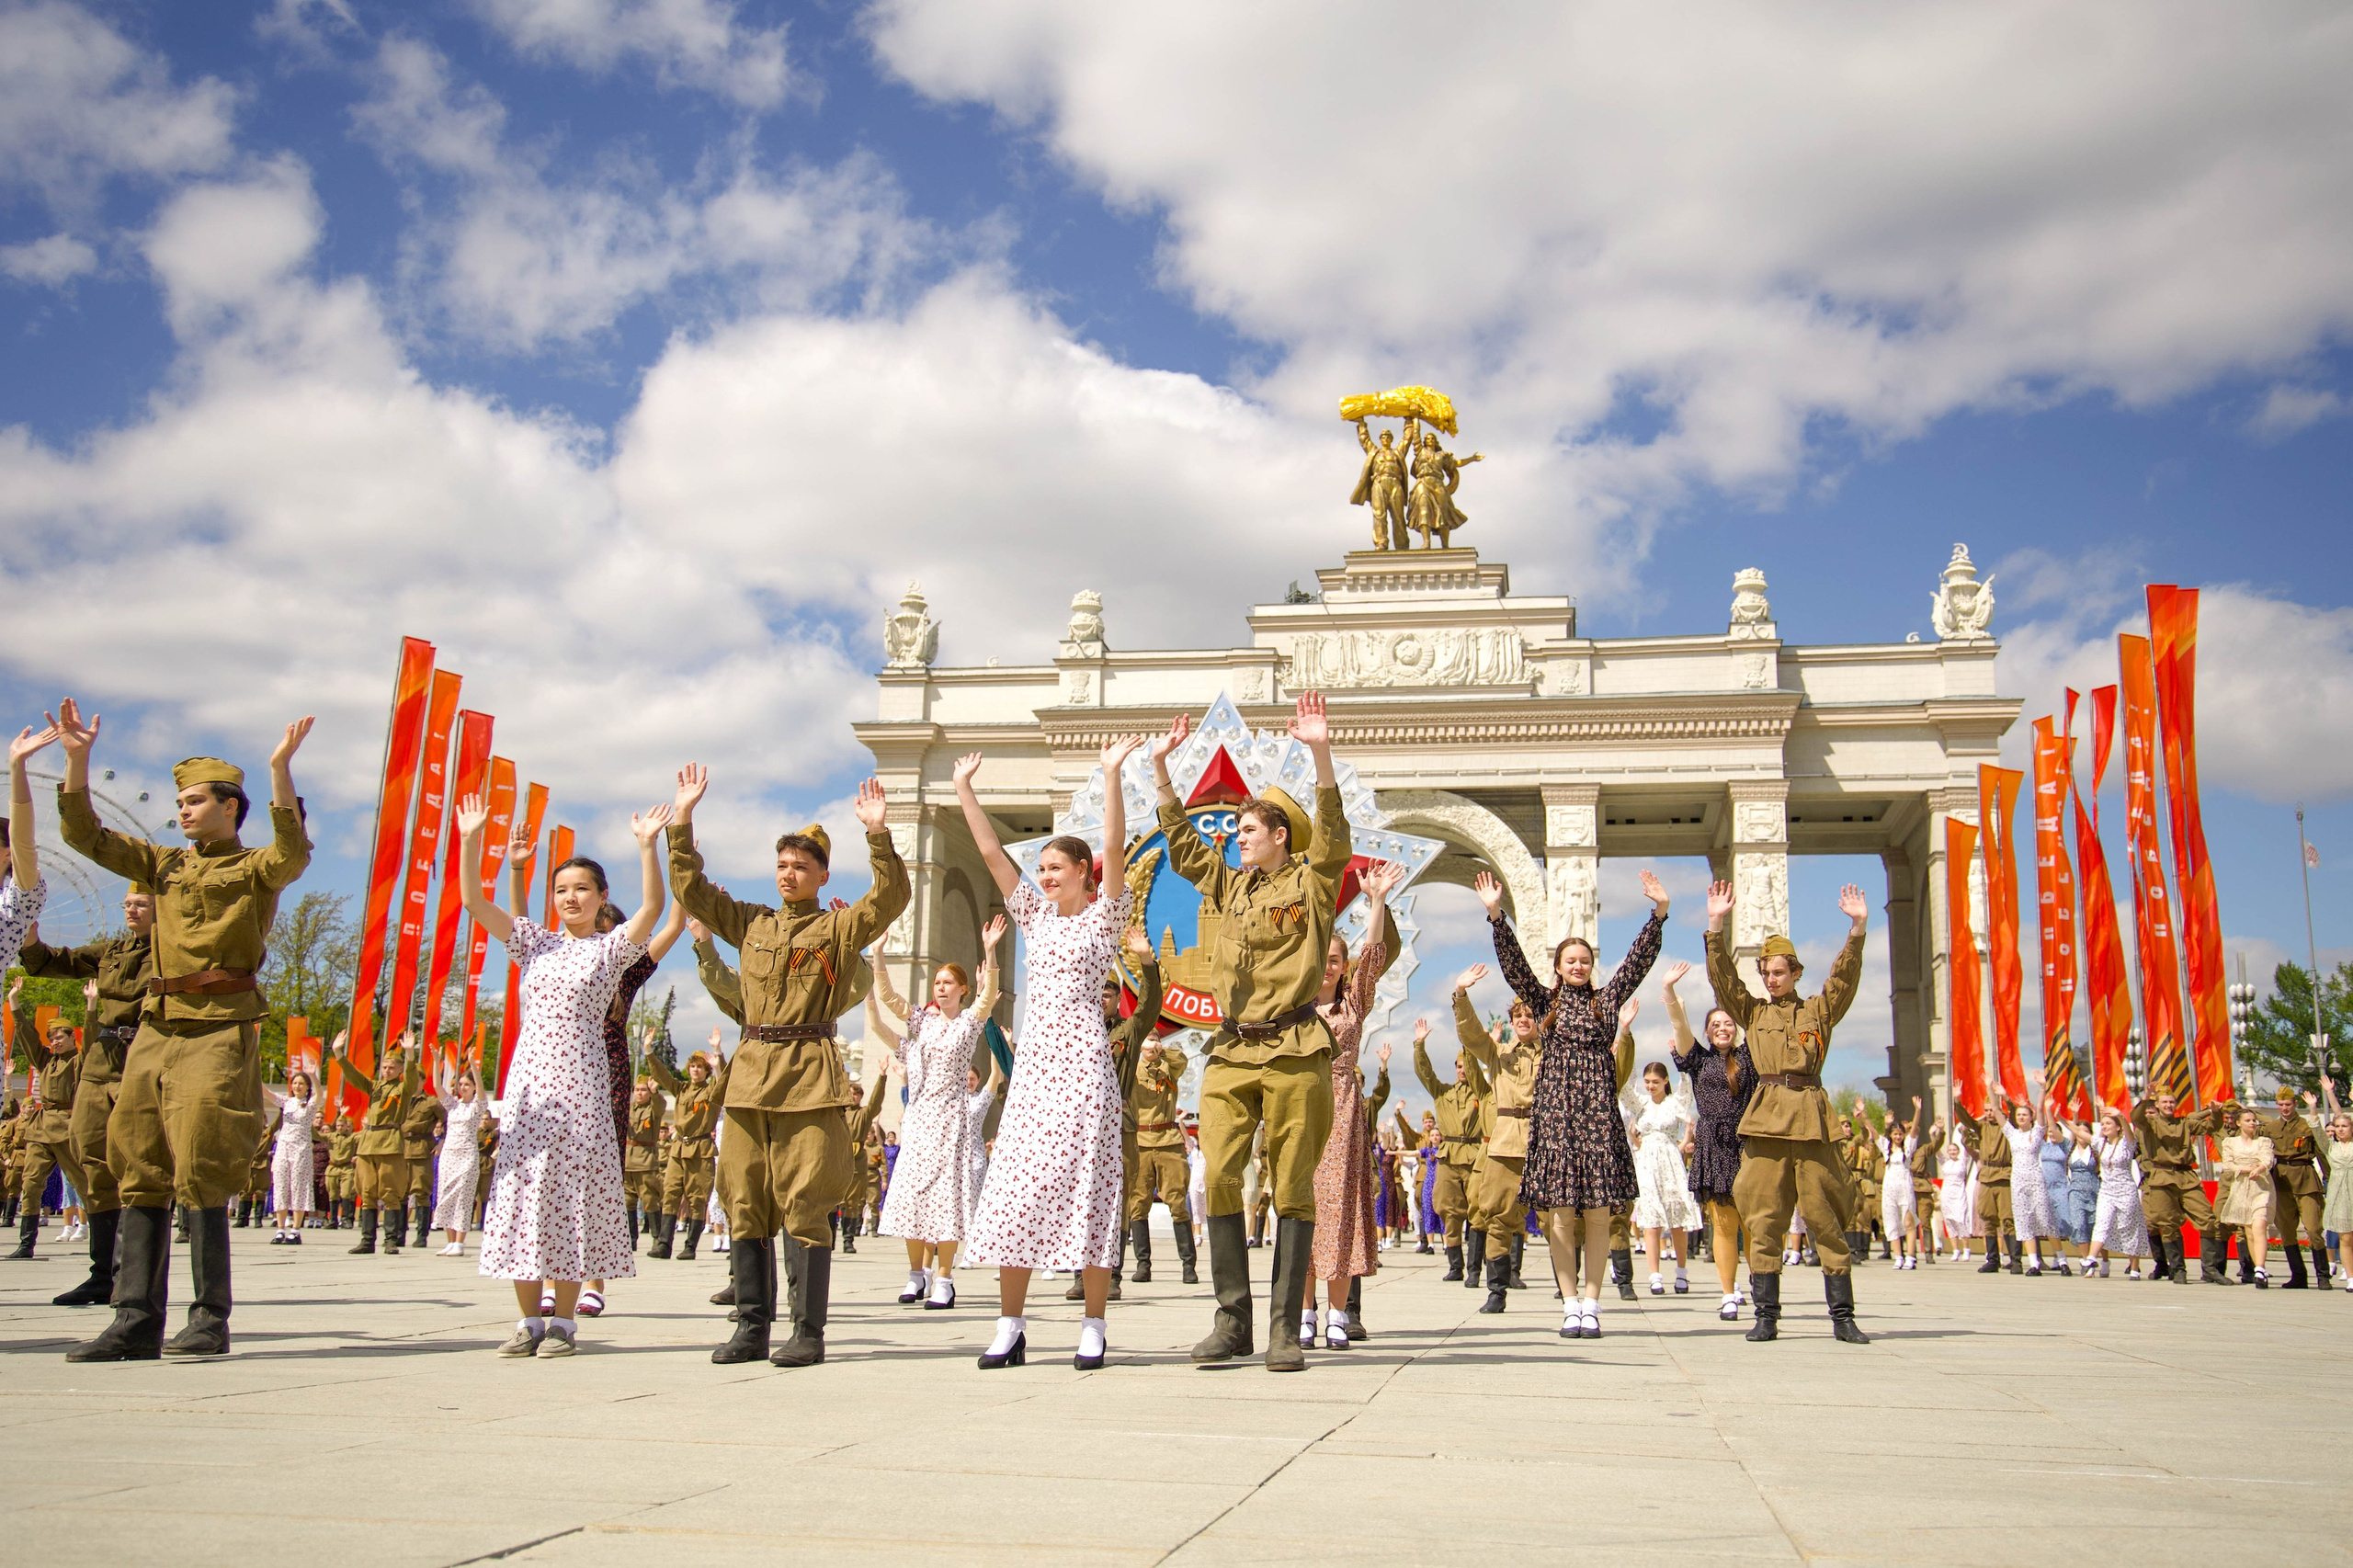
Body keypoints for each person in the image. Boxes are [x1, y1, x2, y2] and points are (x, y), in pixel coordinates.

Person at [51, 702, 312, 1362]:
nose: (184, 810)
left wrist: (280, 770)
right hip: (155, 1027)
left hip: (220, 1025)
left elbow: (291, 854)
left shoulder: (252, 870)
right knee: (134, 1160)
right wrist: (77, 760)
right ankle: (134, 1318)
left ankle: (207, 1318)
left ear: (231, 806)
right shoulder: (164, 864)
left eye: (196, 801)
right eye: (179, 802)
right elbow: (87, 838)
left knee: (202, 1161)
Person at [669, 763, 907, 1369]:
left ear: (823, 874)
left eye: (801, 866)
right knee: (744, 1197)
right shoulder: (750, 922)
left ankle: (808, 1331)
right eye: (782, 865)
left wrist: (878, 836)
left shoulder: (836, 927)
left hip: (806, 1074)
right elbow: (693, 892)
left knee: (805, 1200)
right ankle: (751, 1326)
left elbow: (891, 898)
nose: (789, 874)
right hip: (750, 1075)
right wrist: (683, 821)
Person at [1149, 697, 1353, 1373]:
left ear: (1280, 836)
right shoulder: (1231, 886)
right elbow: (1180, 848)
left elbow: (1334, 836)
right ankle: (1231, 1320)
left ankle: (1284, 1330)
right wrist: (1161, 773)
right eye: (1237, 830)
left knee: (1292, 1186)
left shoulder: (1313, 883)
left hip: (1296, 1049)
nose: (1239, 838)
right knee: (1223, 1176)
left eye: (1249, 830)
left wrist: (1320, 754)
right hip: (1232, 1050)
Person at [453, 793, 669, 1358]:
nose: (570, 898)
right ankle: (528, 1322)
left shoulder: (607, 952)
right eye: (562, 890)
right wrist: (474, 838)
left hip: (582, 1090)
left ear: (601, 900)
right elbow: (473, 899)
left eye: (582, 890)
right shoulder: (535, 945)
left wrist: (648, 846)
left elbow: (652, 906)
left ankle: (565, 1323)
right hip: (528, 1094)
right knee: (525, 1196)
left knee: (571, 1198)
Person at [956, 738, 1139, 1371]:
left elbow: (1116, 848)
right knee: (1016, 1190)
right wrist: (965, 793)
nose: (1045, 875)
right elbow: (988, 853)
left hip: (1085, 1068)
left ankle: (1094, 1323)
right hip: (1035, 1074)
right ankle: (1010, 1324)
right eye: (1042, 869)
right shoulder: (1034, 918)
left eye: (1057, 867)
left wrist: (1111, 775)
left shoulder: (1104, 919)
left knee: (1089, 1190)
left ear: (1083, 873)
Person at [1480, 867, 1667, 1341]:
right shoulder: (1546, 1006)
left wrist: (1658, 914)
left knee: (1600, 1213)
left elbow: (1636, 963)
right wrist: (1496, 915)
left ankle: (1592, 1300)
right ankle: (1568, 1303)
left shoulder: (1607, 1003)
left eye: (1585, 959)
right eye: (1570, 960)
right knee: (1561, 1213)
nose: (1579, 966)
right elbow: (1514, 967)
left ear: (1591, 965)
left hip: (1598, 1117)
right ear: (1559, 967)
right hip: (1557, 1117)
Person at [1705, 879, 1871, 1346]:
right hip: (1766, 1121)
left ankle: (1843, 1317)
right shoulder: (1754, 1014)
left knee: (1825, 1218)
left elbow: (1844, 979)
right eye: (1766, 973)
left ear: (1795, 972)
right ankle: (1766, 1316)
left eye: (1779, 973)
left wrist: (1856, 929)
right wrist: (1715, 926)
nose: (1771, 980)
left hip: (1811, 1120)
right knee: (1763, 1217)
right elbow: (1723, 979)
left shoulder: (1818, 1011)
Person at [17, 886, 153, 1301]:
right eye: (126, 903)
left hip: (143, 1055)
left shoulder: (173, 951)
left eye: (140, 904)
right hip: (100, 1062)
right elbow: (56, 961)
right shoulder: (111, 950)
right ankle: (101, 1275)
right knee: (92, 1160)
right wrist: (28, 938)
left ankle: (135, 1278)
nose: (130, 909)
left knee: (139, 1165)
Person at [870, 918, 1005, 1312]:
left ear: (962, 990)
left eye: (948, 983)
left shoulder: (968, 1022)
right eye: (936, 983)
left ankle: (944, 1280)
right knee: (912, 1196)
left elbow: (990, 994)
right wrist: (878, 954)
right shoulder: (922, 1022)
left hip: (952, 1121)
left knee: (947, 1199)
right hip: (920, 1119)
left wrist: (990, 949)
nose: (940, 987)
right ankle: (916, 1276)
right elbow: (891, 998)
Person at [1304, 861, 1402, 1349]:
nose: (1329, 965)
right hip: (1302, 1107)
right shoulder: (1295, 1008)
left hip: (1342, 1108)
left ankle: (1339, 1313)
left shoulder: (1352, 1004)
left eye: (1336, 959)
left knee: (1339, 1209)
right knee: (1300, 1208)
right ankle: (1304, 1311)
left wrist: (1376, 901)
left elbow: (1374, 955)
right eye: (1322, 957)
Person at [1664, 960, 1755, 1319]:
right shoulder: (1699, 1060)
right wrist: (1670, 993)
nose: (1722, 1028)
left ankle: (1759, 1283)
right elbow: (1679, 1026)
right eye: (1715, 1025)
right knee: (1725, 1223)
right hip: (1714, 1146)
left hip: (1748, 1144)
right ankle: (1728, 1292)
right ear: (1707, 1031)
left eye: (1728, 1023)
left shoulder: (1750, 1056)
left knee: (1754, 1223)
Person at [1117, 947, 1184, 1286]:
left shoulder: (1161, 1059)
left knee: (1176, 1203)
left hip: (1163, 1139)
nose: (1150, 1045)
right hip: (1136, 1137)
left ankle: (1187, 1265)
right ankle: (1137, 1265)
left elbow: (1180, 1061)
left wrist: (1158, 1048)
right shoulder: (1130, 1059)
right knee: (1135, 1203)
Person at [2131, 1087, 2237, 1285]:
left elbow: (2211, 1128)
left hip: (2186, 1175)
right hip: (2161, 1177)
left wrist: (2215, 1112)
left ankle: (2210, 1269)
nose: (2168, 1106)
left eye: (2171, 1102)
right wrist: (2145, 1099)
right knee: (2168, 1224)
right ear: (2157, 1105)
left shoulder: (2185, 1123)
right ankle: (2178, 1269)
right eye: (2164, 1103)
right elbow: (2136, 1117)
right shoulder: (2151, 1124)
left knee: (2207, 1219)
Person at [5, 976, 78, 1261]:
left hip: (68, 1126)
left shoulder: (78, 1060)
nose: (54, 1042)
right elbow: (26, 1035)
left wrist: (92, 1006)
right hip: (41, 1126)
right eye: (52, 1038)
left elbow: (95, 1033)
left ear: (72, 1037)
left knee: (84, 1184)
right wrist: (14, 1002)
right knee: (30, 1184)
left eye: (60, 1037)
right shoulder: (45, 1060)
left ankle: (102, 1239)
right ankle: (26, 1244)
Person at [1413, 1007, 1488, 1281]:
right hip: (1448, 1157)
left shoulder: (1482, 1091)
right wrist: (1420, 1045)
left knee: (1478, 1211)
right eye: (1458, 1066)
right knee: (1448, 1209)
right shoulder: (1443, 1093)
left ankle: (1476, 1270)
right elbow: (1425, 1073)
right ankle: (1456, 1266)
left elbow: (1479, 1075)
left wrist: (1468, 1043)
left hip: (1475, 1155)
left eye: (1465, 1065)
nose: (1461, 1071)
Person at [1623, 1057, 1701, 1296]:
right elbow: (1626, 1089)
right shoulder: (1641, 1104)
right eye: (1647, 1082)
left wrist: (1682, 1063)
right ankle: (1654, 1275)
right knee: (1651, 1218)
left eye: (1655, 1081)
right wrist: (1627, 1057)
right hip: (1646, 1160)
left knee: (1676, 1218)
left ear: (1666, 1080)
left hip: (1670, 1160)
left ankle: (1681, 1272)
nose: (1650, 1086)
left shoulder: (1674, 1103)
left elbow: (1686, 1089)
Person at [339, 1034, 421, 1256]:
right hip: (368, 1144)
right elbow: (353, 1076)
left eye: (392, 1067)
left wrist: (410, 1053)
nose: (387, 1071)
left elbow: (412, 1079)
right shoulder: (374, 1087)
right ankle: (367, 1240)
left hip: (390, 1143)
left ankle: (391, 1240)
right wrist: (339, 1054)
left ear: (399, 1069)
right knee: (366, 1192)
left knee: (389, 1192)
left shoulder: (402, 1088)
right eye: (384, 1067)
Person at [2255, 1084, 2328, 1290]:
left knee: (2314, 1229)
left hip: (2305, 1178)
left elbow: (2321, 1152)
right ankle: (2298, 1276)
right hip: (2281, 1181)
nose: (2284, 1108)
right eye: (2280, 1104)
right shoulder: (2271, 1128)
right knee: (2286, 1230)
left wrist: (2330, 1178)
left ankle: (2322, 1276)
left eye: (2288, 1104)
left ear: (2295, 1104)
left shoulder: (2307, 1126)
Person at [2071, 1107, 2147, 1278]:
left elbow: (2129, 1131)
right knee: (2101, 1223)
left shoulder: (2127, 1143)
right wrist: (2058, 1116)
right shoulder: (2101, 1143)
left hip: (2126, 1190)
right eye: (2103, 1124)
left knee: (2128, 1228)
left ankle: (2134, 1268)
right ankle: (2091, 1257)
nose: (2104, 1127)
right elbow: (2079, 1132)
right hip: (2107, 1190)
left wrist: (2120, 1115)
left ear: (2118, 1127)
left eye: (2108, 1123)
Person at [265, 1059, 328, 1244]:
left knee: (299, 1187)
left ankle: (296, 1229)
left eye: (301, 1083)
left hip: (301, 1149)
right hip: (284, 1146)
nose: (297, 1086)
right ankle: (280, 1228)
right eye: (295, 1083)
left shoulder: (309, 1105)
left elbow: (319, 1095)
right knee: (281, 1185)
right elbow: (267, 1094)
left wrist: (313, 1076)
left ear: (306, 1087)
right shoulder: (287, 1102)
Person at [432, 1062, 491, 1255]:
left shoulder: (476, 1107)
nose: (463, 1088)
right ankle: (450, 1241)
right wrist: (435, 1060)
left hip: (467, 1155)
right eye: (461, 1085)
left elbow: (481, 1091)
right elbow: (437, 1087)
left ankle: (460, 1242)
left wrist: (474, 1067)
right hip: (449, 1154)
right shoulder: (453, 1106)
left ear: (473, 1087)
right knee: (446, 1196)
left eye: (467, 1085)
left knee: (463, 1198)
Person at [2215, 1107, 2277, 1287]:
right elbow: (2228, 1164)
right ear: (2239, 1123)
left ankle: (2260, 1267)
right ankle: (2259, 1270)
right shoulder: (2230, 1142)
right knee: (2249, 1230)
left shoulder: (2264, 1141)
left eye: (2253, 1120)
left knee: (2259, 1225)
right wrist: (2245, 1169)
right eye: (2248, 1120)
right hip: (2242, 1186)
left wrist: (2259, 1168)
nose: (2252, 1123)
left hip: (2261, 1186)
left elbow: (2268, 1160)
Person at [1955, 1096, 2015, 1274]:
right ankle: (1993, 1259)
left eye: (1992, 1110)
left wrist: (2006, 1099)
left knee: (2008, 1219)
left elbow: (2014, 1114)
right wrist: (1958, 1102)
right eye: (1986, 1110)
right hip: (1987, 1175)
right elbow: (1967, 1121)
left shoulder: (2007, 1128)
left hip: (2003, 1175)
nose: (1989, 1114)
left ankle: (2015, 1259)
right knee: (1988, 1219)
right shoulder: (1982, 1128)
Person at [1877, 1100, 1922, 1270]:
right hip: (1889, 1189)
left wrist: (1917, 1111)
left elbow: (1914, 1129)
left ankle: (1910, 1255)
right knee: (1891, 1222)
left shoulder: (1908, 1149)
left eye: (1900, 1134)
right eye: (1895, 1134)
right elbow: (1873, 1133)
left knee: (1908, 1222)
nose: (1897, 1137)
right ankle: (1898, 1256)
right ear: (1890, 1135)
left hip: (1904, 1187)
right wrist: (1863, 1115)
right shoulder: (1886, 1148)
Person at [2318, 1075, 2353, 1291]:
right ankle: (2351, 1277)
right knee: (2346, 1237)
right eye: (2337, 1127)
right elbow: (2338, 1117)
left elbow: (2342, 1114)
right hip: (2341, 1194)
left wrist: (2332, 1093)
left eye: (2344, 1127)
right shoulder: (2332, 1147)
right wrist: (2328, 1093)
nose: (2340, 1129)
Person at [324, 1112, 358, 1230]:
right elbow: (316, 1135)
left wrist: (367, 1125)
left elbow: (364, 1136)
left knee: (346, 1194)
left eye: (342, 1126)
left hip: (346, 1168)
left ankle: (346, 1219)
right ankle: (333, 1220)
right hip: (332, 1168)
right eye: (338, 1126)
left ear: (346, 1126)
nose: (340, 1128)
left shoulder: (352, 1137)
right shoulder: (330, 1136)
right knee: (333, 1195)